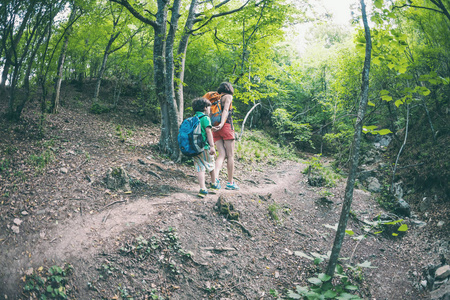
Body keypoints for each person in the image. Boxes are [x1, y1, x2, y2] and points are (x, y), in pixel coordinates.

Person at [208, 82, 239, 190]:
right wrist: (222, 123)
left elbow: (210, 114)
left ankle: (215, 179)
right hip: (225, 126)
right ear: (229, 89)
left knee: (221, 154)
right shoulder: (228, 96)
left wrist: (212, 126)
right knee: (230, 155)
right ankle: (230, 183)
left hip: (214, 128)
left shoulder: (215, 98)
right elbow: (225, 110)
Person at [191, 97, 218, 198]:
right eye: (209, 107)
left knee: (200, 167)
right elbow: (208, 132)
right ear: (205, 107)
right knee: (211, 164)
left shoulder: (194, 118)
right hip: (205, 147)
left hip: (195, 148)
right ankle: (214, 184)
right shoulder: (206, 118)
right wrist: (212, 146)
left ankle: (202, 189)